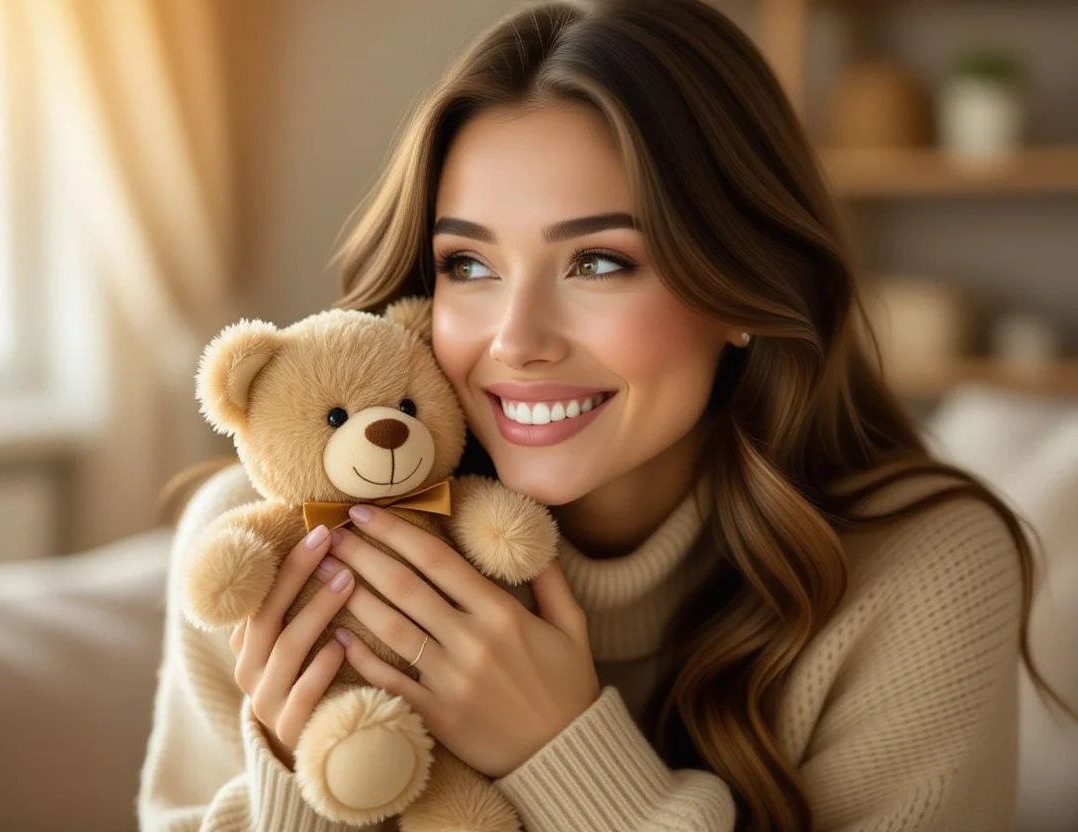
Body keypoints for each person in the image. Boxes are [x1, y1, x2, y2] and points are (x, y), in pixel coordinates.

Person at [138, 1, 1073, 830]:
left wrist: (564, 755)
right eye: (469, 265)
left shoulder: (923, 571)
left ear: (744, 288)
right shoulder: (263, 550)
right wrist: (301, 789)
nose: (517, 340)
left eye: (598, 263)